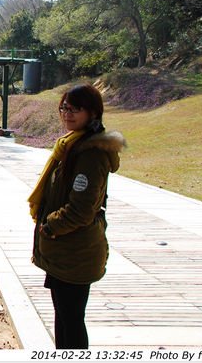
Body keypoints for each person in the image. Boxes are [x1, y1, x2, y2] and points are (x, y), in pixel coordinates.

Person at [27, 83, 125, 349]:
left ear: (93, 113)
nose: (67, 114)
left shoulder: (90, 153)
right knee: (65, 318)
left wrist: (50, 226)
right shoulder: (71, 145)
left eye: (75, 109)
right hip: (64, 250)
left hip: (75, 250)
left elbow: (82, 209)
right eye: (64, 108)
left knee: (71, 320)